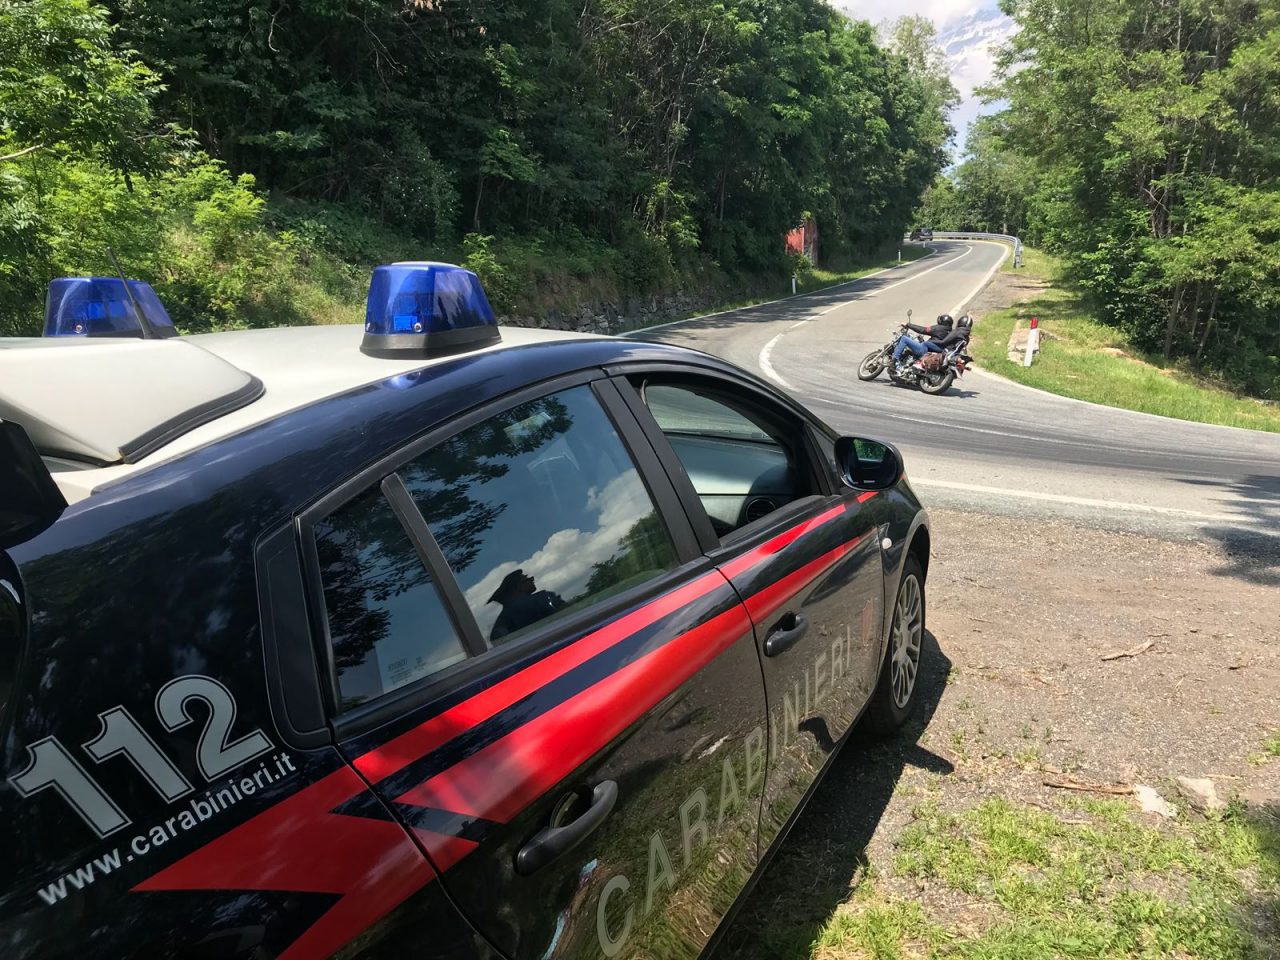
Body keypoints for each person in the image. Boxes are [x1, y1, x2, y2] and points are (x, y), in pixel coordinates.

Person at [487, 568, 566, 642]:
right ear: (519, 586)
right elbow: (569, 612)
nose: (532, 579)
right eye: (527, 579)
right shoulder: (544, 598)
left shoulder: (502, 621)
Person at [892, 314, 972, 371]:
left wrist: (908, 325)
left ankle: (894, 360)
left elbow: (923, 330)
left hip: (928, 351)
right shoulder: (966, 337)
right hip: (939, 354)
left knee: (904, 338)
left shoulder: (947, 330)